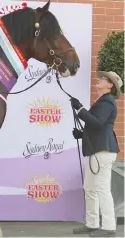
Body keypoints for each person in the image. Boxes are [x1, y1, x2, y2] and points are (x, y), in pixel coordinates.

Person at [70, 71, 123, 237]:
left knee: (101, 188)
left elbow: (98, 123)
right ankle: (92, 223)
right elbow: (97, 125)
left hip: (103, 150)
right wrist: (83, 134)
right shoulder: (103, 101)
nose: (99, 79)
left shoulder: (107, 101)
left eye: (103, 79)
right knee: (90, 188)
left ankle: (108, 226)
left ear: (110, 85)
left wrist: (80, 109)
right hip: (98, 149)